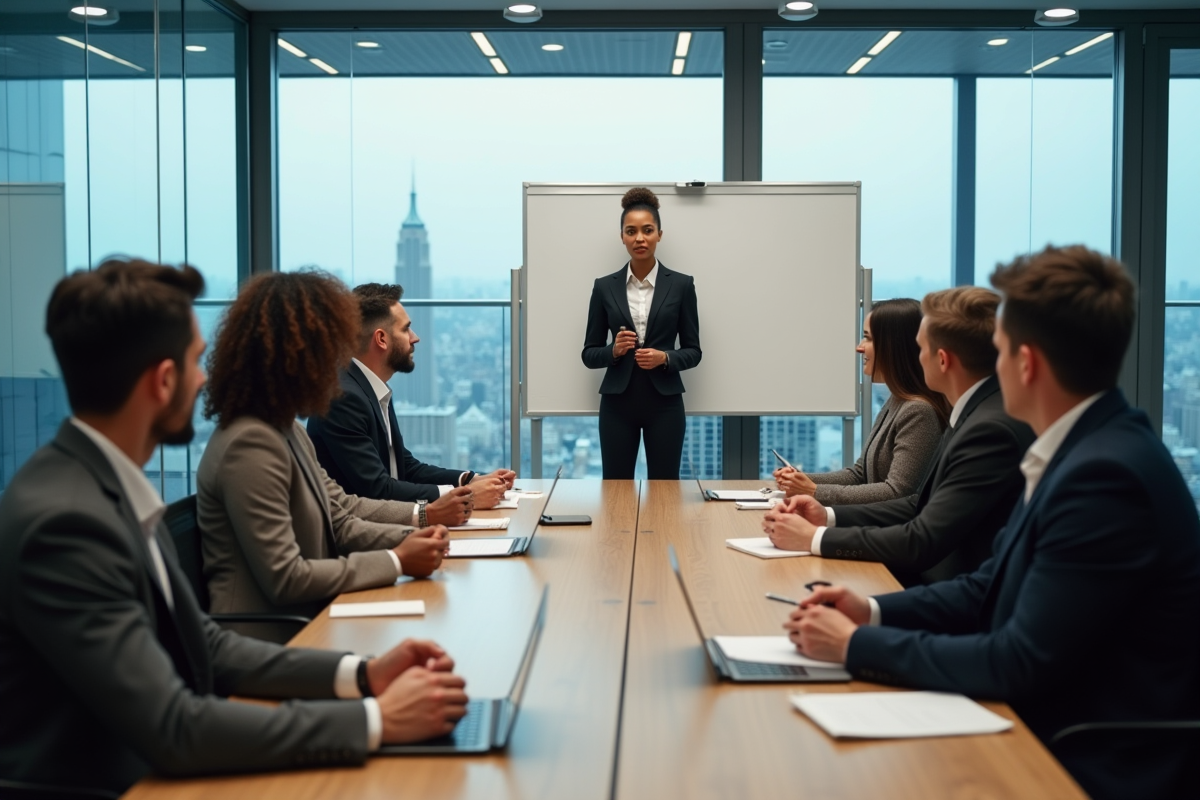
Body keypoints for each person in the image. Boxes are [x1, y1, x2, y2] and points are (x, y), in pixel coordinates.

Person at [0, 259, 469, 795]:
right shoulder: (67, 522)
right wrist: (376, 721)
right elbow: (173, 727)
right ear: (163, 380)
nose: (206, 376)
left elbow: (204, 644)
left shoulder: (101, 486)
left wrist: (363, 675)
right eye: (196, 360)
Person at [783, 246, 1200, 800]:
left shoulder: (1103, 476)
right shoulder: (1084, 448)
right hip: (1039, 717)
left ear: (1025, 363)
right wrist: (874, 610)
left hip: (1079, 756)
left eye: (999, 352)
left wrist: (856, 646)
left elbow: (1017, 661)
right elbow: (989, 585)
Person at [198, 271, 469, 633]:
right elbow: (286, 578)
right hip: (278, 638)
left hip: (317, 615)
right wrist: (397, 560)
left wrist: (416, 533)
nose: (341, 363)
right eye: (332, 348)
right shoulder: (248, 444)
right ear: (297, 356)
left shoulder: (286, 428)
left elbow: (341, 516)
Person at [763, 286, 1034, 585]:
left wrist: (816, 536)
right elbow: (917, 503)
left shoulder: (985, 428)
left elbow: (920, 532)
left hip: (949, 589)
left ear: (942, 359)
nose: (917, 358)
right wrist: (826, 516)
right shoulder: (969, 412)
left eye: (922, 348)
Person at [307, 282, 514, 509]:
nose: (415, 338)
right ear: (381, 339)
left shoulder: (370, 387)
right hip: (361, 537)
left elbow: (404, 466)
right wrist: (466, 495)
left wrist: (470, 480)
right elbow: (378, 489)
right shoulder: (344, 398)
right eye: (406, 329)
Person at [774, 298, 948, 504]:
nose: (859, 348)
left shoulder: (918, 411)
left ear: (894, 346)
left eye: (868, 339)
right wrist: (801, 480)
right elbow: (861, 474)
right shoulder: (897, 401)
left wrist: (814, 491)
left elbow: (898, 492)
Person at [581, 187, 701, 480]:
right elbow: (589, 354)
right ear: (621, 236)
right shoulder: (604, 286)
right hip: (617, 405)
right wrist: (613, 351)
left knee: (665, 487)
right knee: (616, 486)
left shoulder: (682, 285)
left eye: (647, 230)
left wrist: (665, 357)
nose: (639, 238)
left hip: (666, 404)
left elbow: (694, 351)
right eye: (631, 231)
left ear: (660, 234)